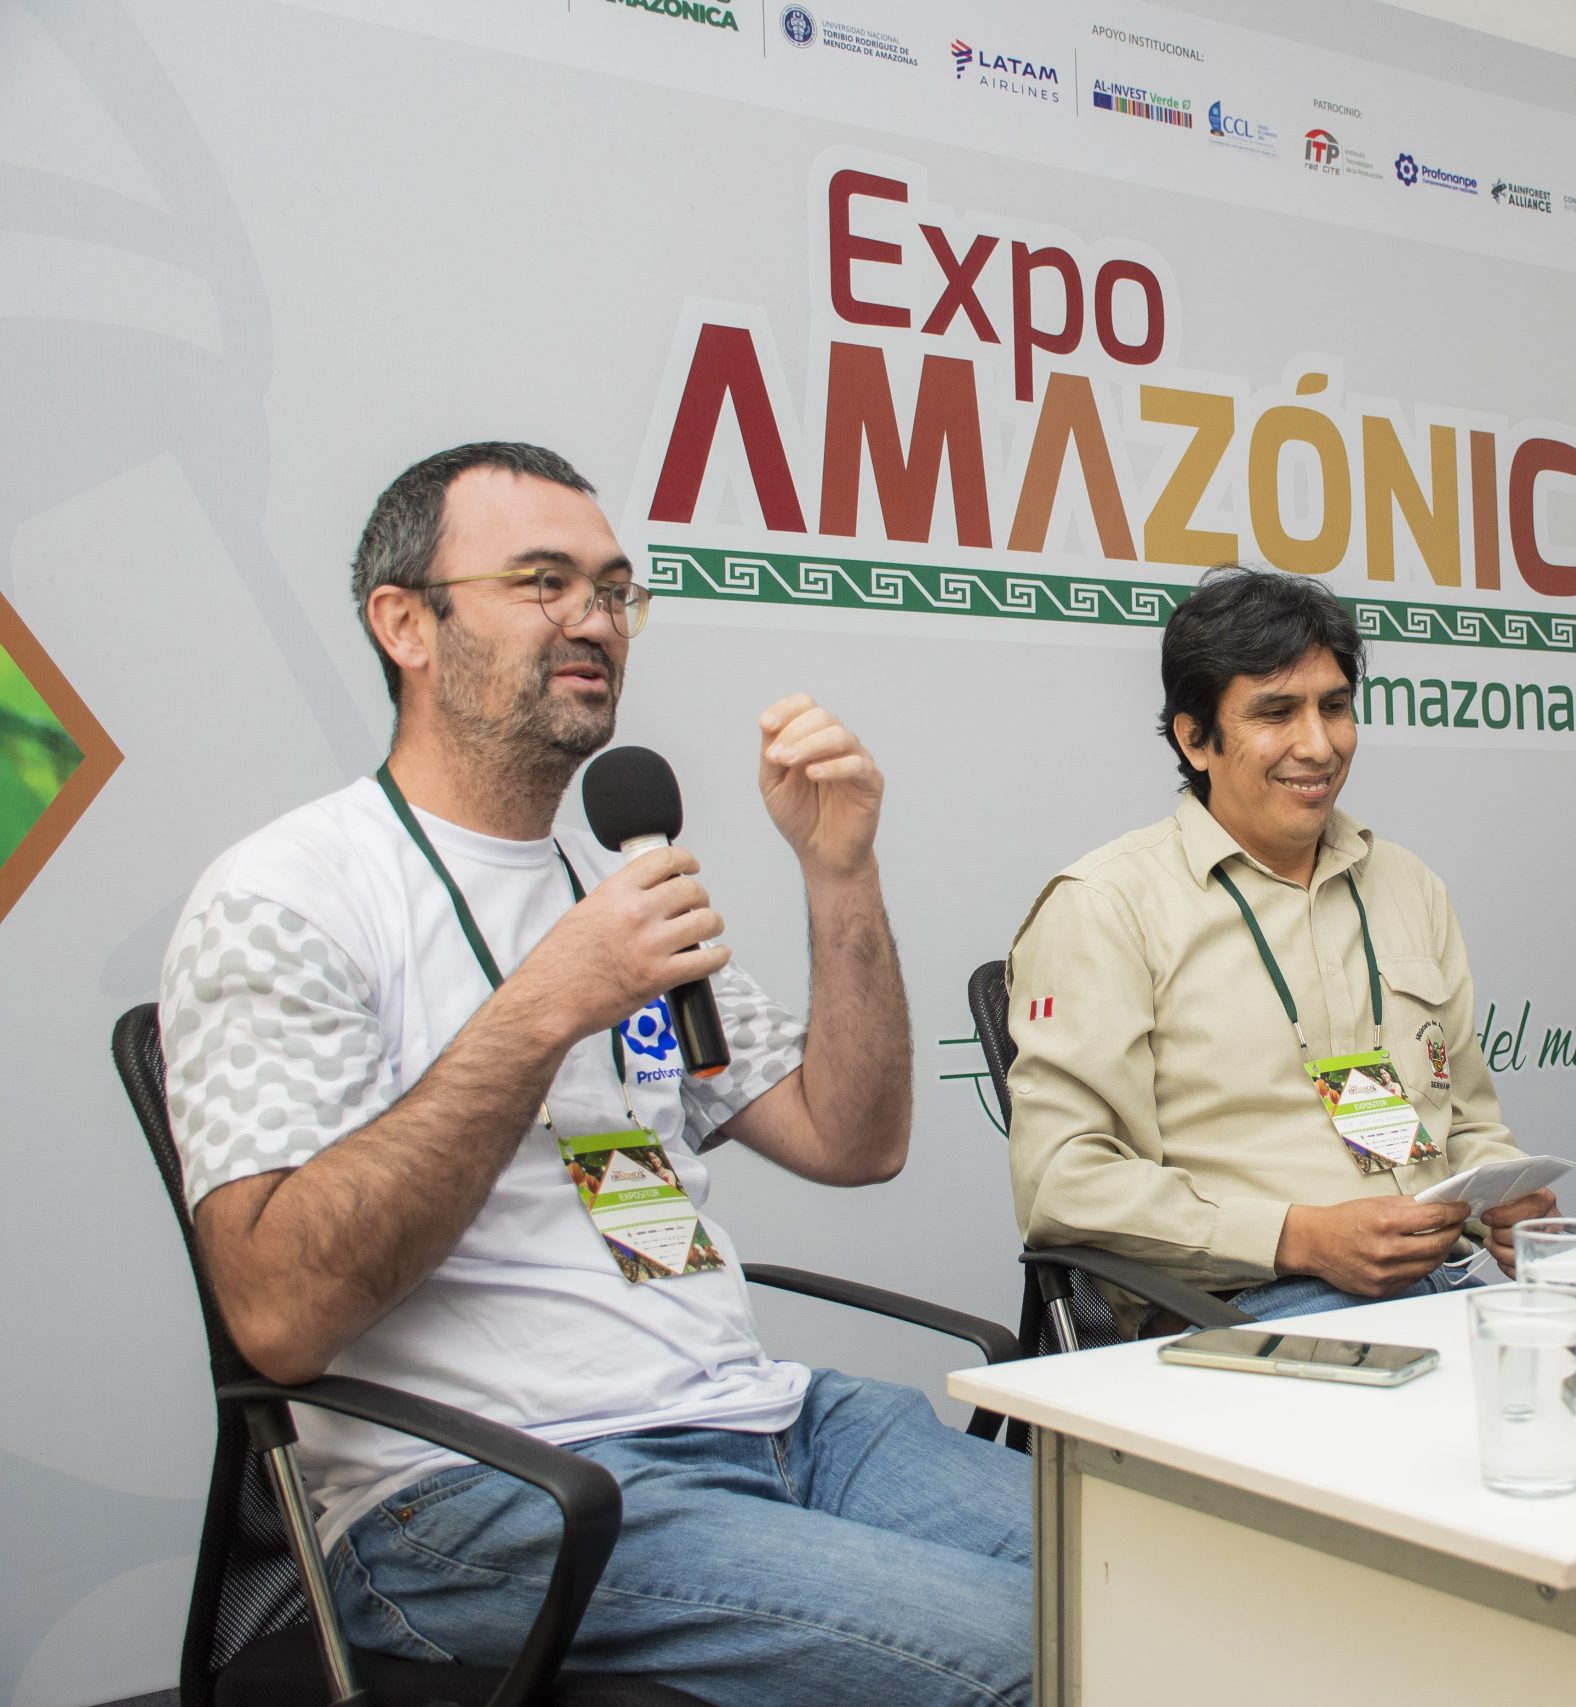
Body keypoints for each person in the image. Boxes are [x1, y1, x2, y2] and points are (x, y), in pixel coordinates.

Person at [160, 442, 1029, 1707]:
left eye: (617, 590)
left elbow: (851, 1139)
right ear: (404, 621)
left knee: (1169, 1577)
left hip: (773, 1423)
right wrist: (542, 1009)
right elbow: (280, 1314)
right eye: (544, 582)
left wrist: (839, 872)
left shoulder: (617, 878)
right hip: (490, 1492)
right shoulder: (288, 895)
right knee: (1035, 1652)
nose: (596, 621)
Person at [1006, 566, 1555, 1329]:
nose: (1319, 744)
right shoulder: (1106, 907)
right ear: (1195, 738)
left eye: (1335, 707)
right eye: (1277, 712)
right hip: (1245, 1308)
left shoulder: (1408, 884)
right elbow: (1063, 1185)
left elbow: (1467, 1119)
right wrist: (1298, 1238)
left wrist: (1503, 1192)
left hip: (1449, 1281)